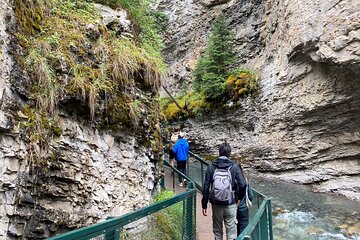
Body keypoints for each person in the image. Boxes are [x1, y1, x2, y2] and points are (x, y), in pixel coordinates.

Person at [201, 142, 246, 240]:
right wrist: (239, 198)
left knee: (217, 230)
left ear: (219, 153)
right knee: (231, 232)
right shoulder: (234, 166)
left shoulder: (211, 166)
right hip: (231, 203)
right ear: (229, 153)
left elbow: (206, 186)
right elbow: (243, 184)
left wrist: (204, 204)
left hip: (216, 203)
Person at [236, 164, 254, 236]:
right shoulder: (244, 180)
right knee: (243, 228)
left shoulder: (230, 179)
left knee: (234, 227)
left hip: (232, 208)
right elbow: (251, 196)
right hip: (243, 209)